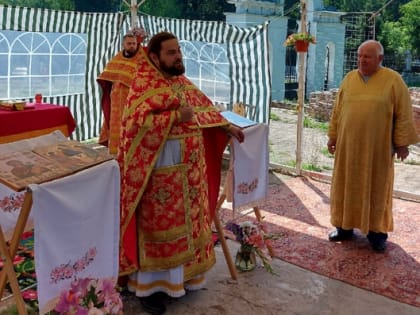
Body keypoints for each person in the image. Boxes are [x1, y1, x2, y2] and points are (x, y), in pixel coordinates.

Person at [116, 31, 245, 314]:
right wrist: (175, 117)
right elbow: (135, 126)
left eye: (178, 52)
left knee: (187, 227)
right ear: (155, 56)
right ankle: (150, 288)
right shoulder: (143, 84)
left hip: (188, 172)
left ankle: (182, 279)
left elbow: (203, 108)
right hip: (159, 170)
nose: (178, 57)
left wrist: (227, 127)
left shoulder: (179, 81)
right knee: (161, 227)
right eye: (171, 53)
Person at [327, 40, 419, 252]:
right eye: (359, 56)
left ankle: (376, 233)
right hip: (347, 148)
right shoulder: (349, 79)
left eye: (367, 56)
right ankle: (343, 227)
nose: (362, 60)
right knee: (345, 184)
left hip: (377, 150)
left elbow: (403, 114)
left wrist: (402, 143)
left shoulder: (393, 80)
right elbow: (338, 111)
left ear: (379, 58)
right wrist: (333, 136)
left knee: (377, 188)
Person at [97, 32, 143, 155]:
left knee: (131, 125)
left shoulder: (141, 58)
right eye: (129, 43)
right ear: (123, 44)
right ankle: (115, 151)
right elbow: (108, 73)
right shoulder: (117, 58)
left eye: (134, 43)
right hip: (116, 100)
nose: (132, 46)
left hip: (133, 99)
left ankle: (130, 151)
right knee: (117, 124)